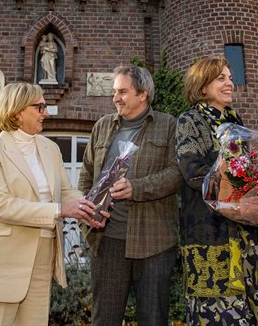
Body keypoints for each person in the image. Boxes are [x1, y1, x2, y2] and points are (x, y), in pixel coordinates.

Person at [0, 82, 106, 326]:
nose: (46, 113)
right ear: (17, 111)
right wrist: (59, 210)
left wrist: (91, 206)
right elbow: (1, 205)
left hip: (42, 257)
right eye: (40, 107)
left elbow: (66, 191)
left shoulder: (50, 148)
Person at [79, 65, 181, 326]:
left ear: (143, 93)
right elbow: (87, 175)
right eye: (115, 92)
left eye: (122, 92)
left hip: (154, 243)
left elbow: (176, 174)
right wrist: (86, 216)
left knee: (153, 319)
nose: (115, 98)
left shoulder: (168, 125)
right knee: (104, 320)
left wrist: (137, 188)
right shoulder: (102, 126)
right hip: (107, 240)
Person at [175, 57, 258, 325]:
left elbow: (247, 169)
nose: (229, 83)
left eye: (230, 78)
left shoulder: (235, 121)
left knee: (254, 309)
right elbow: (193, 171)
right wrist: (232, 193)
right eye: (221, 78)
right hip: (212, 233)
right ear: (202, 86)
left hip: (247, 232)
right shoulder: (190, 120)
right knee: (220, 312)